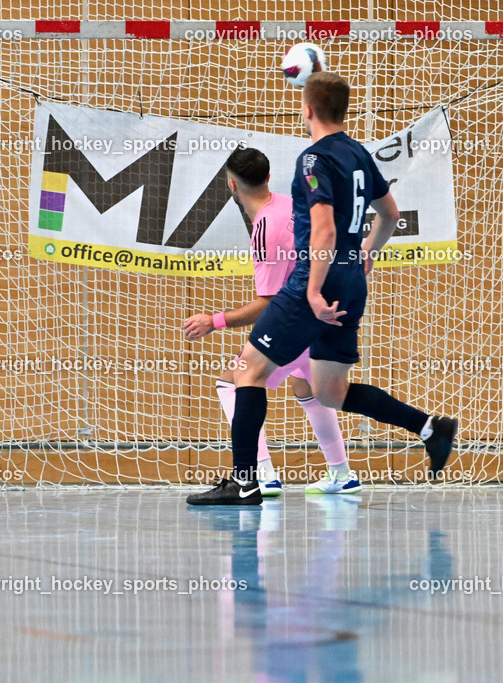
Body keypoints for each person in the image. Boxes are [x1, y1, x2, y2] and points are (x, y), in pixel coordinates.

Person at [187, 72, 457, 506]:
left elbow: (325, 229)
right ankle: (430, 428)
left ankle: (246, 482)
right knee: (331, 392)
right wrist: (367, 252)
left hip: (317, 279)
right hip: (351, 281)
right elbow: (389, 213)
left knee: (246, 374)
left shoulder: (313, 160)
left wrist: (312, 290)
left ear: (308, 109)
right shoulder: (359, 154)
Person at [184, 147, 356, 496]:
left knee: (234, 382)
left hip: (298, 321)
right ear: (267, 176)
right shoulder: (291, 202)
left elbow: (269, 301)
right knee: (306, 386)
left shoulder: (265, 229)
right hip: (327, 315)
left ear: (231, 186)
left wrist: (213, 320)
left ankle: (260, 473)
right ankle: (342, 473)